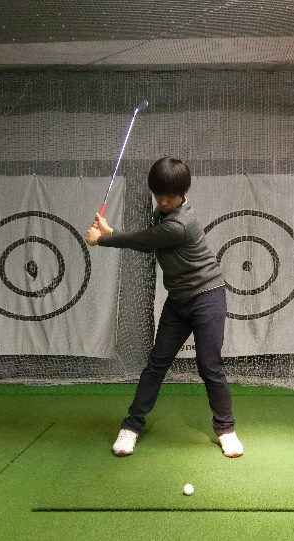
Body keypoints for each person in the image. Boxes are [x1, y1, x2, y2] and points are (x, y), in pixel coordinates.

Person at [85, 157, 243, 458]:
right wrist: (109, 230)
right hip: (178, 300)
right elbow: (149, 237)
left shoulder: (181, 223)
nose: (164, 201)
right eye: (159, 194)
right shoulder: (163, 212)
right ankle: (131, 426)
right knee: (156, 364)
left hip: (207, 297)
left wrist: (102, 239)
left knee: (209, 366)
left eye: (170, 195)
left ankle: (226, 430)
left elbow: (145, 241)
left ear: (183, 192)